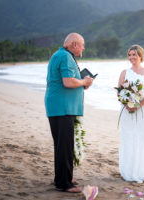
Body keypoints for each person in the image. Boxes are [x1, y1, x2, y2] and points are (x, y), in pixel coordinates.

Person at [44, 33, 95, 193]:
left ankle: (62, 177)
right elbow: (68, 82)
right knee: (64, 146)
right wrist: (84, 81)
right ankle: (64, 184)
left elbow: (70, 80)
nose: (83, 48)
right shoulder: (65, 56)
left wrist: (81, 84)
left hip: (59, 106)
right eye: (82, 44)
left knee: (62, 145)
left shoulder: (61, 54)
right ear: (74, 44)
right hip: (62, 108)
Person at [117, 44, 144, 183]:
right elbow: (119, 91)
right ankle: (127, 171)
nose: (132, 57)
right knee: (128, 137)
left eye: (134, 55)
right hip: (127, 110)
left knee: (142, 137)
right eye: (130, 55)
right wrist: (127, 104)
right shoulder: (124, 72)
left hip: (143, 110)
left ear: (140, 56)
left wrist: (137, 105)